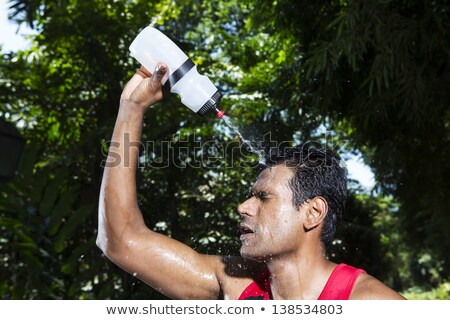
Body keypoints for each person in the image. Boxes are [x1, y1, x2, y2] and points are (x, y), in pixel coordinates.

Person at [96, 63, 405, 300]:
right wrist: (131, 108)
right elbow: (121, 240)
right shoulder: (236, 284)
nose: (243, 206)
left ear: (313, 213)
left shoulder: (370, 303)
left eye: (264, 197)